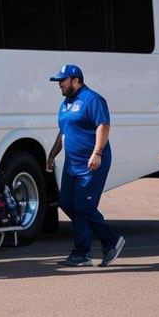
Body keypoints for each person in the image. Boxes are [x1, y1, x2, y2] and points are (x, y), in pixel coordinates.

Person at [46, 64, 125, 267]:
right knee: (66, 203)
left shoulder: (93, 99)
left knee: (84, 206)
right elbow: (63, 133)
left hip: (92, 163)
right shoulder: (65, 104)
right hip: (73, 164)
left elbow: (103, 125)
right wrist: (52, 155)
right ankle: (86, 251)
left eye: (62, 81)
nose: (59, 85)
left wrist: (97, 152)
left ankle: (105, 242)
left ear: (75, 80)